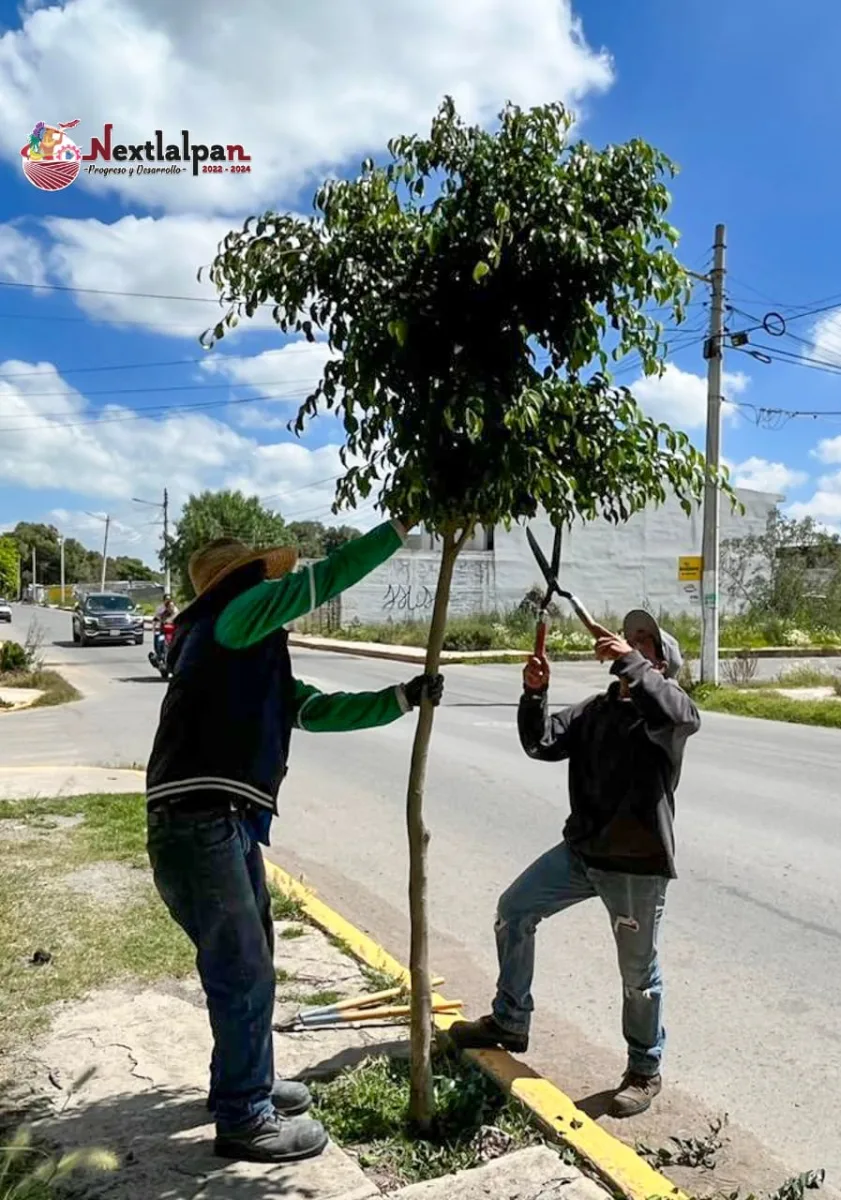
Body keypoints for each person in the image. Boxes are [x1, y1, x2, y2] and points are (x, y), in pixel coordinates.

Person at [145, 519, 444, 1163]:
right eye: (265, 578)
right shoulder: (232, 616)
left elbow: (312, 710)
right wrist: (400, 527)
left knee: (253, 959)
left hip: (216, 822)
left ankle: (244, 1082)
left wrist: (401, 697)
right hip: (200, 819)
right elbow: (324, 579)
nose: (276, 587)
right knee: (241, 967)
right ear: (244, 583)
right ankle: (244, 1117)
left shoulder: (242, 649)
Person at [449, 609, 700, 1118]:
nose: (631, 644)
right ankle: (510, 1021)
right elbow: (539, 743)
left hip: (635, 867)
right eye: (630, 639)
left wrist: (634, 665)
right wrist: (535, 693)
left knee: (638, 975)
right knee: (514, 910)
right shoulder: (595, 711)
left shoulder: (664, 722)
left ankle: (643, 1069)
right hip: (581, 854)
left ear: (660, 666)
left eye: (645, 643)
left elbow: (681, 715)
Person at [152, 593, 179, 662]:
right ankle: (159, 656)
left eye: (172, 606)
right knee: (159, 641)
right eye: (169, 606)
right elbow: (157, 618)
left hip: (173, 633)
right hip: (164, 633)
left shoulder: (177, 612)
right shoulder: (163, 613)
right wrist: (156, 625)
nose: (171, 607)